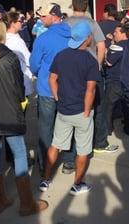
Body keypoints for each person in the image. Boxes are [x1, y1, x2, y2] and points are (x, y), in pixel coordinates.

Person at [0, 20, 48, 216]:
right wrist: (22, 100)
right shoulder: (8, 57)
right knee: (19, 154)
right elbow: (18, 87)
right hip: (9, 114)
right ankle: (26, 203)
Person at [40, 21, 99, 196]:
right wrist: (87, 111)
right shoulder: (90, 60)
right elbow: (91, 89)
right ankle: (77, 184)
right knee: (82, 150)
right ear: (87, 39)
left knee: (55, 145)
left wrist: (58, 98)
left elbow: (52, 79)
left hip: (64, 110)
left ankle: (45, 180)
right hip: (82, 111)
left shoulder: (61, 55)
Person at [65, 0, 117, 154]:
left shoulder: (65, 24)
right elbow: (101, 46)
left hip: (70, 70)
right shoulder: (92, 23)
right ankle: (100, 143)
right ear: (86, 7)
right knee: (98, 107)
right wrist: (98, 65)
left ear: (72, 6)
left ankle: (72, 147)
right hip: (90, 70)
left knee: (73, 108)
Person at [29, 4, 76, 174]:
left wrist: (41, 72)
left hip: (47, 88)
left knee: (46, 127)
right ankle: (69, 161)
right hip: (69, 87)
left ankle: (45, 164)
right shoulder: (72, 35)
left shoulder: (43, 38)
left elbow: (34, 65)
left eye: (43, 16)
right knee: (69, 124)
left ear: (54, 16)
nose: (40, 19)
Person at [105, 24, 129, 135]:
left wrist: (108, 47)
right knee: (128, 105)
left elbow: (109, 62)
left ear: (123, 33)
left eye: (116, 32)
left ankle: (108, 129)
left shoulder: (117, 46)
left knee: (109, 106)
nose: (114, 34)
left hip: (115, 81)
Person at [6, 12, 33, 97]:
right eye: (20, 20)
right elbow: (29, 60)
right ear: (13, 23)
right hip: (21, 80)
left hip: (10, 80)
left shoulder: (5, 37)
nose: (22, 22)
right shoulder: (15, 40)